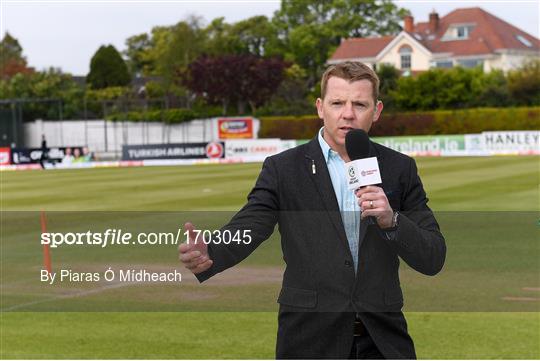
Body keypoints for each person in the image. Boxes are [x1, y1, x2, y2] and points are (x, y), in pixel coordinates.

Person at [179, 61, 446, 359]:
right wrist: (212, 251)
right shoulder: (283, 169)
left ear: (377, 110)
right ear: (321, 107)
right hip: (308, 341)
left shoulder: (399, 168)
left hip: (382, 342)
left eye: (359, 104)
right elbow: (251, 224)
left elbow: (433, 255)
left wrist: (392, 220)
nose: (348, 113)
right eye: (337, 103)